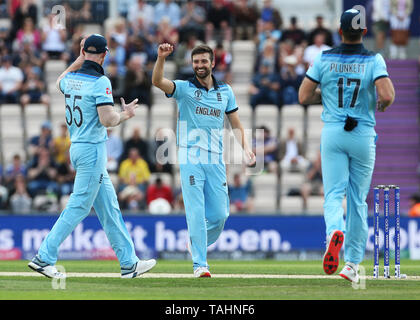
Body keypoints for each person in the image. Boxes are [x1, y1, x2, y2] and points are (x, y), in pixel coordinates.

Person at [28, 34, 156, 279]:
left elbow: (59, 82)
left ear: (84, 52)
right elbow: (107, 119)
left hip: (77, 147)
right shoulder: (101, 81)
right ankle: (44, 257)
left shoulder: (72, 79)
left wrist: (79, 57)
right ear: (105, 55)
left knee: (109, 208)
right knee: (79, 205)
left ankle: (129, 263)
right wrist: (127, 114)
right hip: (92, 149)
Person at [299, 9, 395, 283]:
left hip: (333, 132)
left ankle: (333, 234)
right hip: (362, 133)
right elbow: (387, 94)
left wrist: (327, 97)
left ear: (340, 31)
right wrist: (382, 105)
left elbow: (303, 95)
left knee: (333, 194)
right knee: (357, 199)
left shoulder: (324, 57)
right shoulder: (373, 59)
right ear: (364, 32)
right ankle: (351, 264)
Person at [152, 43, 255, 277]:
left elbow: (236, 123)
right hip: (190, 155)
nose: (199, 65)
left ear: (213, 63)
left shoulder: (226, 92)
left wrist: (246, 148)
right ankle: (200, 264)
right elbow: (158, 82)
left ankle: (196, 242)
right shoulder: (184, 88)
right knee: (196, 211)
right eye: (196, 62)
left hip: (216, 158)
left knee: (221, 215)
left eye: (203, 61)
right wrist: (161, 58)